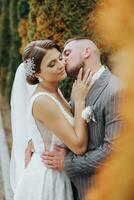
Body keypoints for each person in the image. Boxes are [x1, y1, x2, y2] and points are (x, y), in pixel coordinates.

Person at [40, 38, 124, 200]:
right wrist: (36, 139)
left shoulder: (115, 90)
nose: (63, 60)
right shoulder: (78, 88)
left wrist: (67, 163)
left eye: (67, 53)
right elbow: (67, 124)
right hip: (73, 189)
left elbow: (113, 152)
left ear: (86, 52)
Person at [10, 39, 93, 200]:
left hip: (59, 173)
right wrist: (81, 101)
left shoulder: (55, 92)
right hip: (48, 180)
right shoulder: (43, 101)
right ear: (37, 73)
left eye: (60, 58)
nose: (60, 65)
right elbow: (79, 146)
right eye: (51, 64)